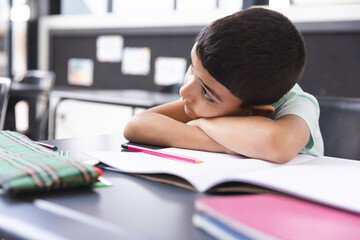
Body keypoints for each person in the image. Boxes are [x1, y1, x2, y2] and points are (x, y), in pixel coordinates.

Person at [124, 7, 324, 163]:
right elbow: (137, 125)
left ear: (254, 112)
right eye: (192, 68)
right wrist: (232, 144)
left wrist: (203, 124)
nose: (184, 91)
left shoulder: (300, 104)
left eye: (207, 93)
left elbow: (278, 144)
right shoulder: (204, 99)